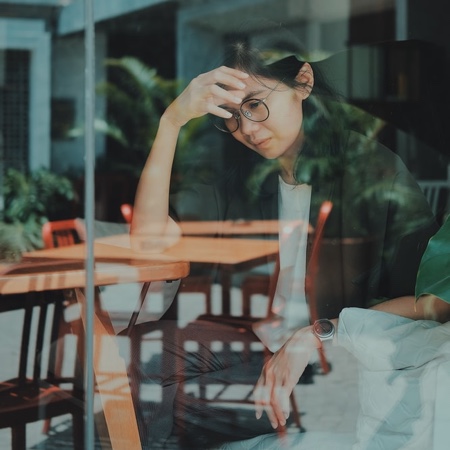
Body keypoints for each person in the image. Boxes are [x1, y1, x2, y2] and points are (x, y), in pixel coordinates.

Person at [128, 37, 442, 449]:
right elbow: (148, 241)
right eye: (233, 117)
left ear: (303, 82)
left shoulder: (374, 172)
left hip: (338, 358)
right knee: (135, 353)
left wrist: (317, 334)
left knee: (183, 400)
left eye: (256, 104)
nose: (248, 130)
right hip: (259, 342)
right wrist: (172, 121)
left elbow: (429, 304)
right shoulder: (246, 179)